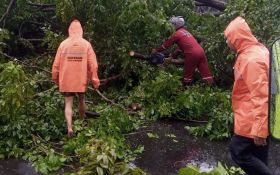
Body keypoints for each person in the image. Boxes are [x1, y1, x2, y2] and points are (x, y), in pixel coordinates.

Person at [224, 16, 272, 175]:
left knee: (238, 152)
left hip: (252, 119)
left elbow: (261, 95)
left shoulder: (251, 59)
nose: (227, 42)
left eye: (227, 38)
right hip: (259, 117)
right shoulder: (258, 50)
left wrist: (259, 129)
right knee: (258, 156)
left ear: (236, 38)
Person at [52, 20, 100, 138]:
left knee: (68, 104)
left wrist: (55, 79)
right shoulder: (86, 44)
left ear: (69, 30)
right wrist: (95, 80)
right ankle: (81, 122)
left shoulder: (63, 44)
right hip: (81, 79)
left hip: (67, 79)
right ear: (81, 30)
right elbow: (93, 64)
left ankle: (70, 127)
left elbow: (56, 65)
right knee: (81, 100)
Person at [152, 16, 214, 85]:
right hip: (201, 51)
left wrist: (156, 50)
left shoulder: (176, 34)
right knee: (206, 73)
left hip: (192, 54)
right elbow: (181, 48)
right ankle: (212, 88)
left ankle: (185, 90)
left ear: (175, 25)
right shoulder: (186, 32)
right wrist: (172, 56)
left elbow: (165, 45)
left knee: (187, 75)